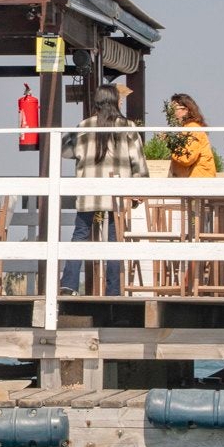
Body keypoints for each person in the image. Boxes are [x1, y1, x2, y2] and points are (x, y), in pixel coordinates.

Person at [59, 85, 146, 296]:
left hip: (89, 192)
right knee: (115, 242)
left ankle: (69, 283)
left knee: (80, 235)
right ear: (115, 101)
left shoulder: (84, 126)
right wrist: (138, 188)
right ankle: (113, 289)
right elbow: (139, 163)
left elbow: (65, 150)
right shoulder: (127, 127)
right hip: (117, 195)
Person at [165, 93, 218, 178]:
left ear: (186, 110)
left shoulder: (193, 128)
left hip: (198, 181)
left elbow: (187, 158)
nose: (171, 112)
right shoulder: (187, 128)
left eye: (174, 108)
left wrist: (170, 145)